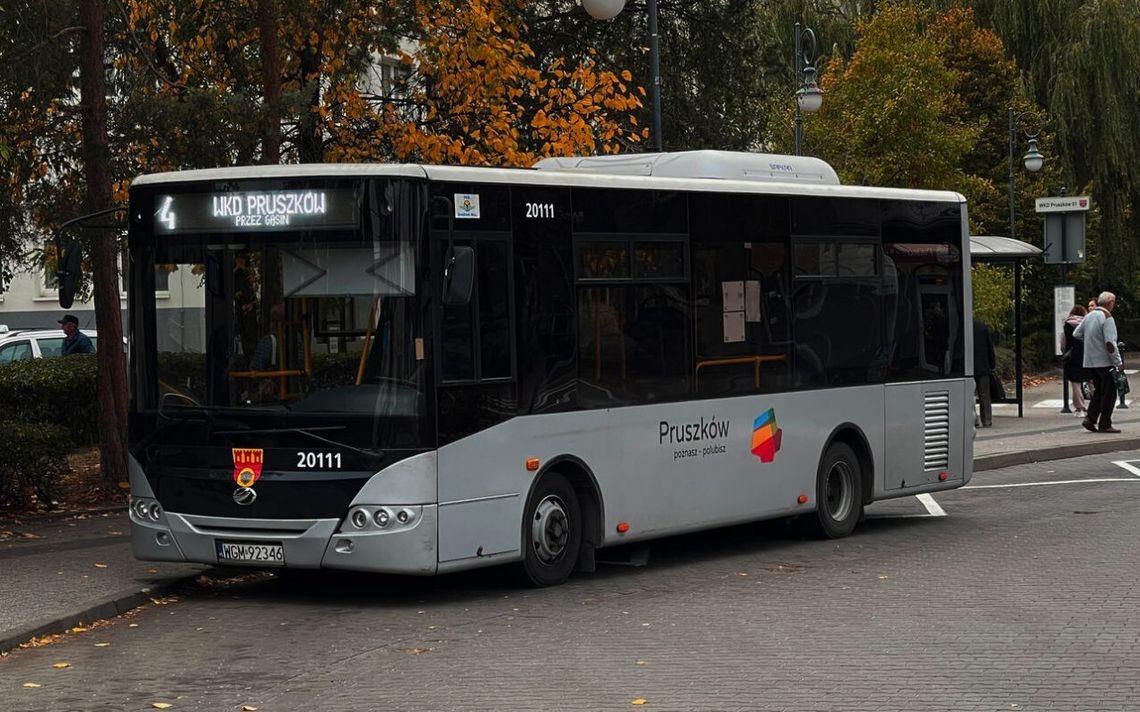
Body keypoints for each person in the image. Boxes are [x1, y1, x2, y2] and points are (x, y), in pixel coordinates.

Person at [1073, 291, 1123, 433]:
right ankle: (1105, 423)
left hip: (1090, 361)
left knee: (1098, 391)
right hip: (1105, 361)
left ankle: (1090, 419)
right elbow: (1110, 343)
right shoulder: (1107, 317)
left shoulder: (1089, 316)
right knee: (1109, 393)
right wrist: (1118, 362)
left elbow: (1076, 333)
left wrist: (1090, 342)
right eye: (1113, 303)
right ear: (1110, 303)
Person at [1061, 304, 1090, 416]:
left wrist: (1064, 351)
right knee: (1091, 380)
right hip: (1087, 355)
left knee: (1075, 383)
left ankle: (1080, 407)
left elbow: (1064, 342)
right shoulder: (1087, 323)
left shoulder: (1068, 324)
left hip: (1073, 356)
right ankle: (1097, 404)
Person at [973, 318, 996, 428]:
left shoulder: (962, 326)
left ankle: (974, 420)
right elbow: (989, 346)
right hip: (983, 365)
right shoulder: (982, 326)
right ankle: (987, 420)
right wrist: (992, 364)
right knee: (984, 395)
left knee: (970, 396)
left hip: (967, 367)